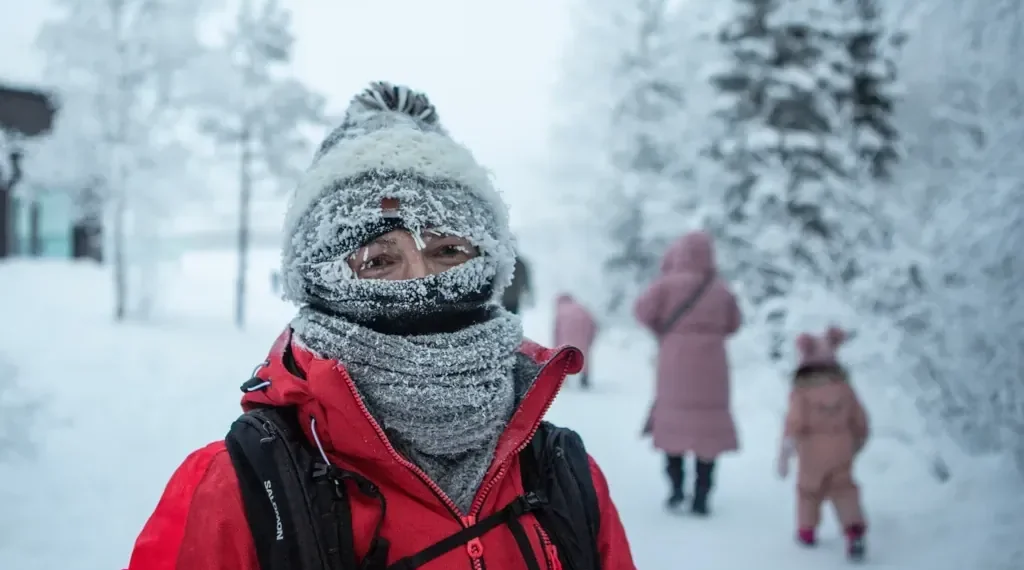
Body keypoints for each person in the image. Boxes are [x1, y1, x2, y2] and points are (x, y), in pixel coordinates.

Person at [124, 82, 635, 570]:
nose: (421, 283)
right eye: (377, 261)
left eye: (448, 251)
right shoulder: (242, 488)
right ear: (318, 281)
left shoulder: (564, 474)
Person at [634, 230, 741, 515]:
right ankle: (702, 496)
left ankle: (676, 489)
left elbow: (641, 311)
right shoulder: (720, 289)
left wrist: (664, 330)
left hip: (675, 360)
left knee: (673, 424)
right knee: (708, 431)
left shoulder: (665, 285)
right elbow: (734, 323)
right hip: (713, 366)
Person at [776, 326, 869, 561]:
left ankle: (807, 532)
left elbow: (795, 421)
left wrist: (785, 451)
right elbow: (860, 419)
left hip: (811, 450)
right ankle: (854, 529)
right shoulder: (845, 389)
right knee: (844, 489)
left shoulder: (802, 391)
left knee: (808, 491)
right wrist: (857, 442)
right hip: (842, 446)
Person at [553, 293, 598, 388]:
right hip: (583, 332)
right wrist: (590, 339)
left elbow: (557, 331)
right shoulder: (581, 308)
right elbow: (593, 324)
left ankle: (562, 377)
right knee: (584, 353)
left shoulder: (561, 311)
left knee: (564, 353)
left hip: (567, 334)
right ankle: (585, 377)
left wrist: (555, 347)